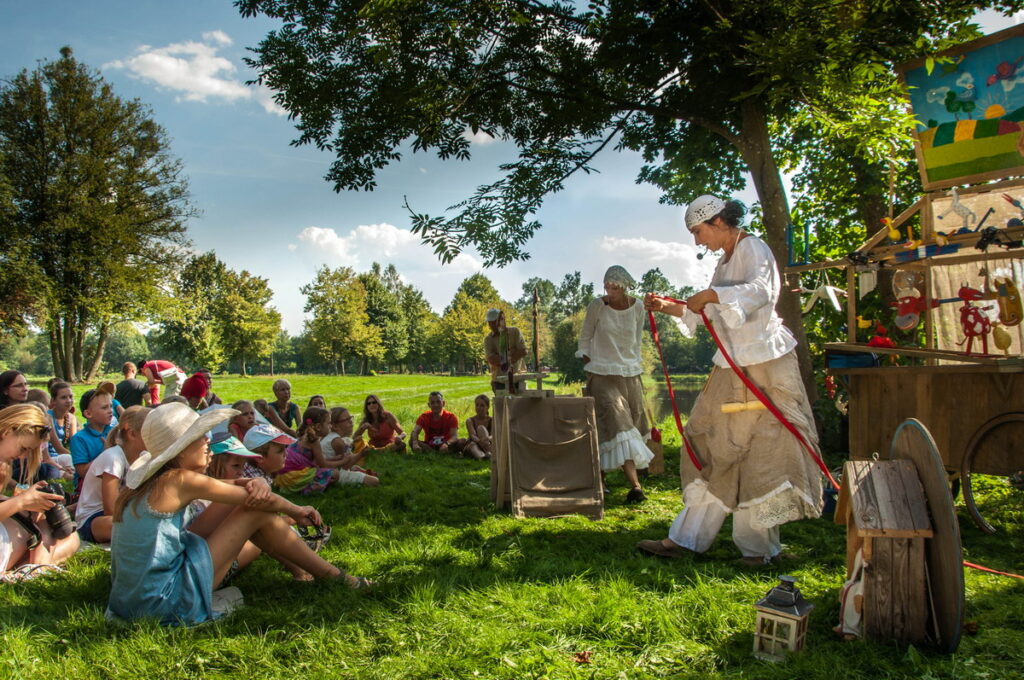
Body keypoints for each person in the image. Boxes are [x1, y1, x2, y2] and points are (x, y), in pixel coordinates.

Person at [637, 195, 823, 566]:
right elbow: (713, 313)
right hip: (732, 368)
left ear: (718, 222)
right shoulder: (724, 263)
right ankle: (686, 538)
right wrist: (670, 307)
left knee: (765, 459)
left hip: (768, 367)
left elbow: (762, 291)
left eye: (698, 232)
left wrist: (713, 294)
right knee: (713, 447)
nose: (696, 241)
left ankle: (758, 551)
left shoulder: (753, 248)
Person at [107, 403, 370, 626]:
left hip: (131, 602)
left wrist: (257, 483)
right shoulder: (179, 479)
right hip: (163, 603)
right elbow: (252, 500)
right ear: (181, 448)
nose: (208, 441)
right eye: (200, 436)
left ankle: (310, 572)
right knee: (254, 512)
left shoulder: (151, 483)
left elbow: (234, 489)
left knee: (250, 505)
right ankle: (339, 578)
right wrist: (296, 510)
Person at [577, 265, 653, 504]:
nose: (610, 291)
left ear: (625, 286)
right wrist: (594, 365)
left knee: (629, 422)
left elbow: (637, 340)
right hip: (601, 374)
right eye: (607, 287)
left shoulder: (638, 306)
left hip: (630, 373)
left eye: (615, 287)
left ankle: (602, 480)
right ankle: (635, 487)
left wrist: (634, 365)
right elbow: (585, 338)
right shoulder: (597, 306)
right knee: (618, 422)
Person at [0, 404, 81, 579]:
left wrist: (27, 501)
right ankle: (35, 569)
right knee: (47, 525)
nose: (22, 457)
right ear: (7, 432)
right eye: (24, 449)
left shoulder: (3, 464)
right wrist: (21, 502)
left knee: (72, 538)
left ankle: (32, 567)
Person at [75, 406, 149, 545]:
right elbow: (110, 509)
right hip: (95, 519)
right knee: (128, 526)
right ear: (132, 434)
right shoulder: (113, 458)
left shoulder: (144, 457)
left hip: (124, 514)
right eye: (150, 431)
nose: (155, 436)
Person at [275, 407, 355, 494]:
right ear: (318, 427)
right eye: (328, 424)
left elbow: (316, 461)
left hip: (285, 475)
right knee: (335, 474)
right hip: (295, 477)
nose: (330, 426)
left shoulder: (306, 435)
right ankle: (306, 489)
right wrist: (344, 461)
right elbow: (323, 464)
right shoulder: (314, 440)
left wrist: (335, 459)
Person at [322, 407, 379, 487]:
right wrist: (361, 454)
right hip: (334, 474)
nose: (351, 422)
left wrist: (353, 443)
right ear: (335, 426)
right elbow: (345, 466)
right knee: (374, 481)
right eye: (346, 420)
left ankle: (362, 473)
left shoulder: (333, 437)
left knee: (355, 467)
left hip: (330, 470)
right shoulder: (337, 442)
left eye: (350, 418)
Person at [69, 389, 115, 486]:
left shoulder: (115, 432)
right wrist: (106, 452)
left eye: (111, 406)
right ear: (88, 414)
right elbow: (82, 472)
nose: (110, 410)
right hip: (88, 487)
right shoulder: (79, 438)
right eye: (104, 407)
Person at [484, 309, 527, 394]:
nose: (492, 325)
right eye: (490, 323)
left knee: (520, 405)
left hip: (518, 378)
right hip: (499, 381)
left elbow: (523, 351)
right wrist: (513, 352)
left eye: (494, 322)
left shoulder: (515, 332)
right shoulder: (488, 339)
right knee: (501, 406)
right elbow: (492, 360)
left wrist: (501, 357)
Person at [46, 381, 78, 467]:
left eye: (70, 397)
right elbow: (58, 448)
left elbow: (74, 443)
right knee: (70, 460)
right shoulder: (48, 417)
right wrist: (78, 459)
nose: (68, 401)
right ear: (53, 400)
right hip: (48, 457)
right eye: (63, 397)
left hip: (62, 456)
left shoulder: (71, 418)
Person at [462, 394, 493, 460]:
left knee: (481, 429)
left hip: (488, 443)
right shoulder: (470, 420)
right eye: (477, 405)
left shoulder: (492, 420)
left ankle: (488, 453)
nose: (479, 408)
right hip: (475, 443)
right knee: (472, 445)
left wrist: (487, 439)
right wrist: (480, 441)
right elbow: (472, 435)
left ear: (487, 407)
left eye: (482, 405)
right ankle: (483, 457)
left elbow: (494, 435)